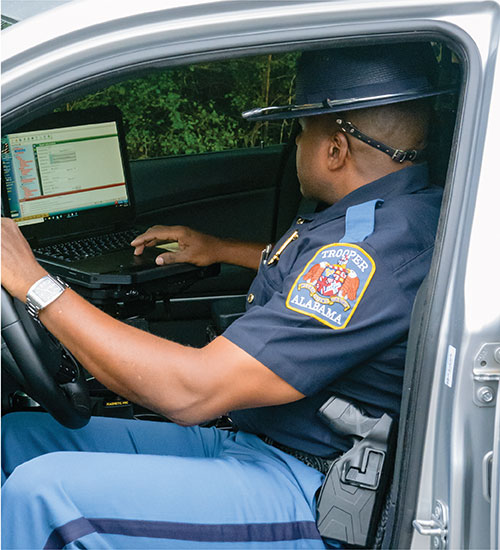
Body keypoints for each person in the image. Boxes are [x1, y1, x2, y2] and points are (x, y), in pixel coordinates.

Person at [1, 43, 450, 549]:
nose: (295, 144)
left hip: (312, 486)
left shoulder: (373, 251)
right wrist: (218, 248)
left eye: (300, 131)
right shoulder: (396, 213)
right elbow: (320, 279)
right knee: (15, 439)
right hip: (261, 442)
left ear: (335, 150)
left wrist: (33, 282)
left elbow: (191, 392)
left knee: (43, 493)